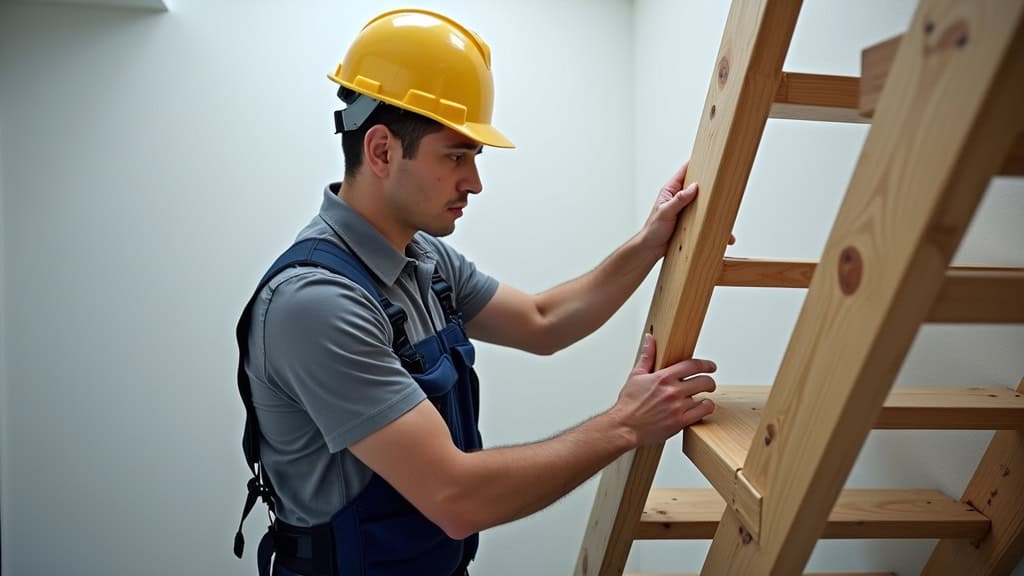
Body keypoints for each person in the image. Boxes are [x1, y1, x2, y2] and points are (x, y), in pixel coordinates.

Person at [234, 8, 719, 576]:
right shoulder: (316, 304)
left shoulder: (424, 259)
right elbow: (455, 497)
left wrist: (650, 240)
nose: (475, 181)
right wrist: (625, 425)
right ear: (383, 151)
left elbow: (542, 321)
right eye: (456, 156)